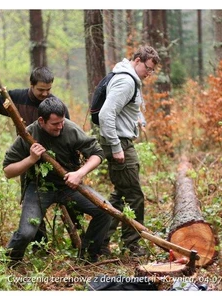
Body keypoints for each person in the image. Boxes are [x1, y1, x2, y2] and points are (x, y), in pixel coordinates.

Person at [3, 96, 111, 264]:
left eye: (62, 122)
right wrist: (31, 159)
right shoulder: (29, 134)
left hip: (69, 186)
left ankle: (87, 258)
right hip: (40, 187)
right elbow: (8, 171)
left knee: (105, 210)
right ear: (41, 120)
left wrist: (79, 173)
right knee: (26, 233)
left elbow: (97, 154)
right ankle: (9, 262)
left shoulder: (70, 129)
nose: (60, 126)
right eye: (55, 124)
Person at [0, 66, 79, 249]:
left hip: (54, 161)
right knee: (33, 205)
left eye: (48, 90)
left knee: (71, 204)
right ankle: (38, 246)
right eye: (40, 89)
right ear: (31, 84)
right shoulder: (16, 98)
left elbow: (67, 134)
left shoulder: (56, 105)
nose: (44, 94)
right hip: (27, 158)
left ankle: (79, 240)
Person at [98, 45, 161, 257]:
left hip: (123, 141)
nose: (149, 73)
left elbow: (129, 107)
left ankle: (99, 241)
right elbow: (106, 114)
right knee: (134, 196)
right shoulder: (126, 80)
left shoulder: (130, 79)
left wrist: (139, 119)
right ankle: (132, 244)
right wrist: (116, 147)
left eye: (152, 71)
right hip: (120, 142)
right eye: (148, 68)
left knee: (120, 194)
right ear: (137, 60)